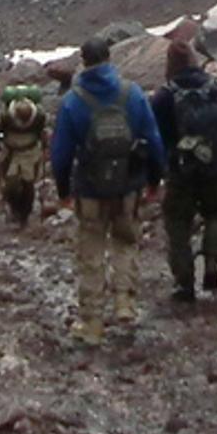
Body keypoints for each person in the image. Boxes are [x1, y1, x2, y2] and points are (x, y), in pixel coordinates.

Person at [48, 35, 165, 345]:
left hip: (89, 189)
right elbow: (153, 139)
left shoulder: (74, 100)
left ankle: (92, 324)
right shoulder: (133, 94)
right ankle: (124, 302)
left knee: (91, 253)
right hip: (129, 186)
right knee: (126, 242)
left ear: (83, 62)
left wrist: (63, 190)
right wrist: (154, 180)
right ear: (110, 58)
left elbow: (60, 153)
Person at [148, 37, 217, 303]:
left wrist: (153, 174)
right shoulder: (215, 89)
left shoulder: (164, 96)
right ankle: (211, 263)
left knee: (178, 226)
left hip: (181, 172)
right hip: (216, 167)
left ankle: (184, 283)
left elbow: (154, 138)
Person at [0, 78, 52, 225]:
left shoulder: (38, 116)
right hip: (12, 152)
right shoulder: (6, 116)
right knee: (11, 183)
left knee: (28, 184)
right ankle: (16, 208)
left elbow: (42, 132)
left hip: (29, 151)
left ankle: (23, 214)